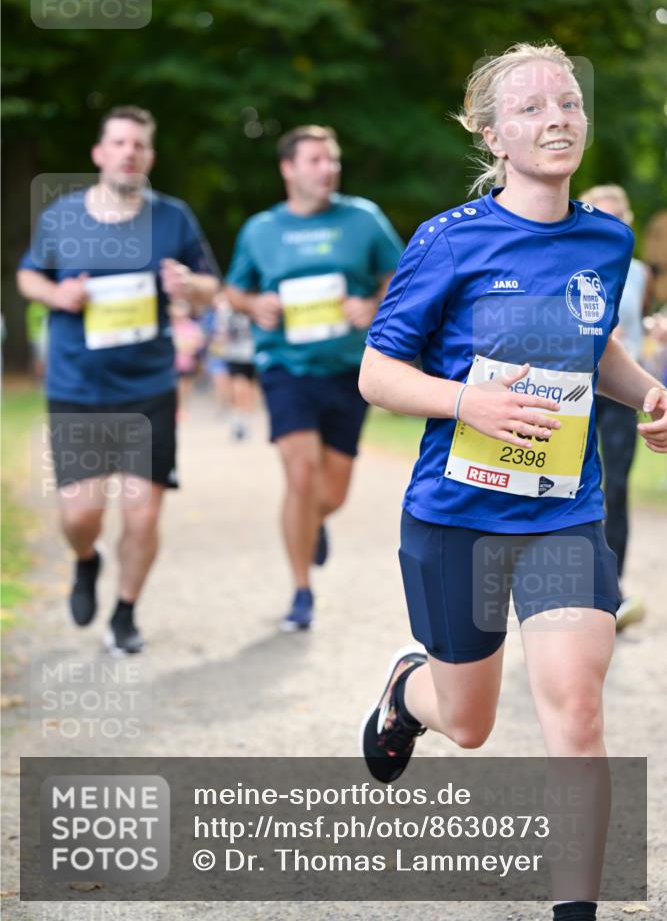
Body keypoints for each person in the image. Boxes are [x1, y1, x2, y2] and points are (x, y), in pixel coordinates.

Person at [358, 44, 667, 921]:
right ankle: (406, 692)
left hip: (563, 511)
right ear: (491, 135)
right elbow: (378, 376)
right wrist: (469, 403)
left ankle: (576, 911)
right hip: (456, 513)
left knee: (575, 708)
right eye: (531, 108)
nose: (557, 119)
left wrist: (647, 390)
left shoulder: (605, 241)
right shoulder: (446, 241)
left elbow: (594, 344)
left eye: (566, 102)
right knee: (470, 722)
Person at [17, 106, 219, 654]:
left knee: (143, 511)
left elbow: (209, 286)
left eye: (140, 145)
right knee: (80, 514)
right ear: (100, 154)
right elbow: (29, 273)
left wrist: (189, 286)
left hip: (148, 387)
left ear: (149, 157)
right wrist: (56, 294)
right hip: (77, 388)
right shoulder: (62, 217)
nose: (130, 152)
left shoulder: (173, 218)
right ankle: (87, 560)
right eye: (120, 143)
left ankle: (125, 613)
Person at [226, 125, 403, 630]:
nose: (328, 169)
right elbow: (236, 290)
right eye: (315, 160)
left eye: (333, 160)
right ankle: (301, 589)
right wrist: (254, 303)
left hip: (350, 370)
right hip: (286, 366)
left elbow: (401, 279)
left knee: (332, 494)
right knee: (300, 475)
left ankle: (313, 521)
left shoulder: (363, 219)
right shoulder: (261, 229)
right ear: (288, 168)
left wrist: (370, 305)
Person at [578, 185, 650, 631]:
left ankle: (613, 588)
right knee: (572, 485)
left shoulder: (638, 271)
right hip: (578, 389)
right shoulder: (571, 262)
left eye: (616, 217)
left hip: (622, 393)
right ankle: (567, 589)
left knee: (616, 488)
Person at [203, 291, 257, 440]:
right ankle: (241, 418)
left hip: (249, 351)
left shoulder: (248, 304)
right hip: (235, 353)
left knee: (245, 387)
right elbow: (221, 333)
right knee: (239, 386)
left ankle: (243, 418)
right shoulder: (226, 308)